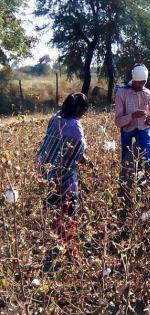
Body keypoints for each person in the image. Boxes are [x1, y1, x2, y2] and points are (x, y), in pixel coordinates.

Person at [36, 93, 90, 256]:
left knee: (52, 210)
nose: (84, 114)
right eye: (84, 110)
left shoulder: (55, 117)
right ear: (79, 109)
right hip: (63, 178)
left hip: (45, 173)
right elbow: (78, 150)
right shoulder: (75, 126)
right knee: (68, 211)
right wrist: (89, 164)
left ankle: (55, 243)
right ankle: (69, 248)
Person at [114, 64, 150, 207]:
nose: (141, 85)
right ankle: (125, 196)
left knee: (148, 161)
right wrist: (132, 116)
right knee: (127, 167)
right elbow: (118, 121)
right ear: (133, 80)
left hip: (144, 132)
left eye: (143, 82)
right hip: (128, 133)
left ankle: (146, 190)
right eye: (138, 83)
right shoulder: (122, 93)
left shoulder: (148, 93)